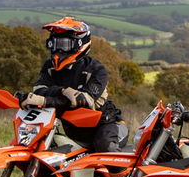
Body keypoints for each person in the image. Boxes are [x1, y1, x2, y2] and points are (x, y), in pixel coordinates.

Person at [20, 17, 125, 152]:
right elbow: (39, 90)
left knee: (105, 148)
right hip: (74, 129)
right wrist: (63, 91)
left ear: (80, 44)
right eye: (55, 44)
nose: (59, 50)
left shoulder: (97, 70)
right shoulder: (49, 67)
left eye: (64, 45)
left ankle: (123, 173)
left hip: (107, 125)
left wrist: (45, 100)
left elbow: (83, 101)